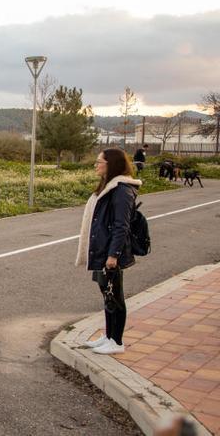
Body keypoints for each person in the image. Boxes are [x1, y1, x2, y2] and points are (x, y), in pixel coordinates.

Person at [75, 147, 141, 355]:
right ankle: (109, 335)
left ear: (110, 164)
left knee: (115, 296)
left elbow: (121, 226)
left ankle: (117, 342)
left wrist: (113, 255)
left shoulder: (122, 189)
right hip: (102, 249)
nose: (96, 165)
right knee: (107, 294)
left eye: (99, 161)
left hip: (111, 253)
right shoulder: (109, 186)